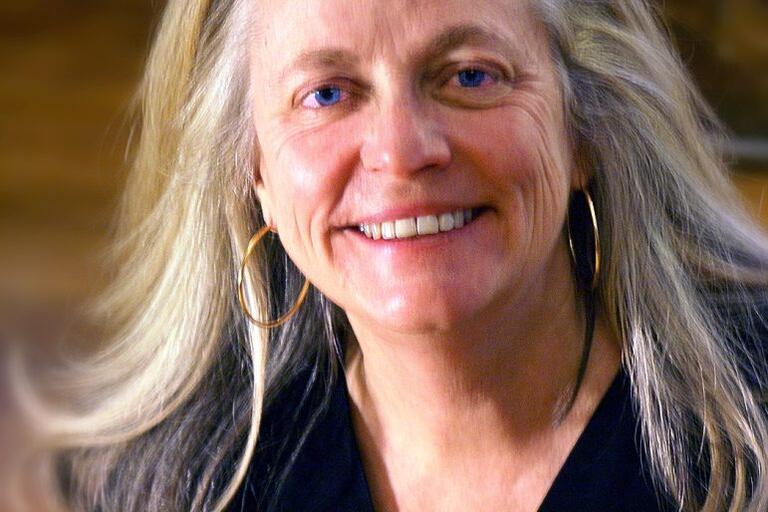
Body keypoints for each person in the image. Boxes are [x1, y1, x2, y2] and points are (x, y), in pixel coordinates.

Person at [29, 0, 768, 510]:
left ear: (584, 129)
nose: (401, 152)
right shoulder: (182, 486)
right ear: (249, 168)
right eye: (326, 94)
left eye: (470, 75)